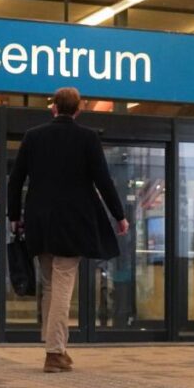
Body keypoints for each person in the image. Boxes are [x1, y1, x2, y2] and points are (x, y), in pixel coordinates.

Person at [8, 87, 128, 373]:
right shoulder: (87, 138)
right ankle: (53, 352)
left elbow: (15, 180)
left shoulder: (33, 136)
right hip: (72, 223)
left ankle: (57, 346)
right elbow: (103, 180)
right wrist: (119, 216)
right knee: (62, 283)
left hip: (38, 222)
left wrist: (15, 216)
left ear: (53, 108)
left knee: (51, 283)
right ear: (79, 109)